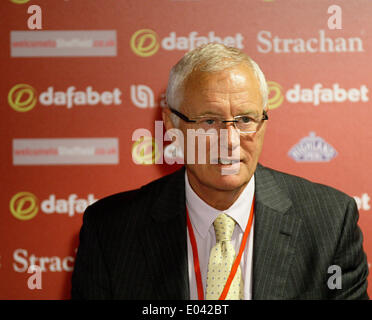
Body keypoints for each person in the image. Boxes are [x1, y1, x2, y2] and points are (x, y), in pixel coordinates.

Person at [71, 43, 369, 300]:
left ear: (264, 123)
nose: (230, 140)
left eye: (244, 119)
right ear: (172, 126)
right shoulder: (111, 231)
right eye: (209, 121)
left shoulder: (330, 223)